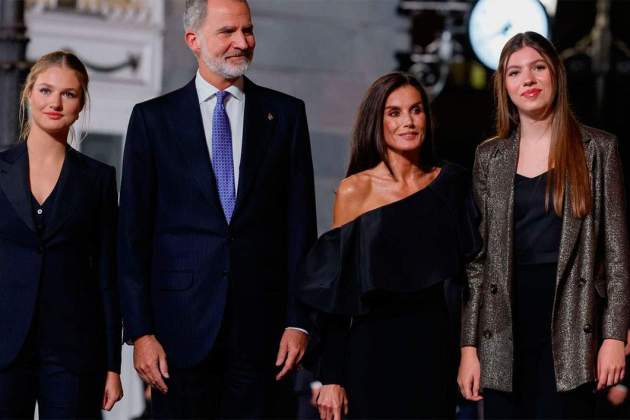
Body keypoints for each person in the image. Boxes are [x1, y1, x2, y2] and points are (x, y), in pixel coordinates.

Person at [117, 0, 317, 418]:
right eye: (227, 32)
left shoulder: (285, 115)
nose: (242, 42)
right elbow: (132, 235)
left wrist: (298, 322)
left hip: (263, 336)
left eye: (247, 30)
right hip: (178, 334)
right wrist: (140, 332)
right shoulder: (153, 120)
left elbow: (300, 228)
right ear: (193, 40)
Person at [458, 31, 630, 419]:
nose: (528, 80)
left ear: (556, 74)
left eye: (538, 68)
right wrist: (469, 348)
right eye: (515, 72)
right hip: (504, 332)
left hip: (573, 323)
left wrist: (615, 336)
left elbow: (617, 257)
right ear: (504, 85)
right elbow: (477, 264)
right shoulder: (489, 157)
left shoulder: (599, 150)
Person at [299, 72, 478, 419]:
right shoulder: (355, 191)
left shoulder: (454, 183)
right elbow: (337, 293)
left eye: (416, 110)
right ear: (376, 121)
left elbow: (472, 278)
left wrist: (469, 350)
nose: (407, 122)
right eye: (394, 113)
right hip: (371, 350)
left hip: (434, 348)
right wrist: (331, 376)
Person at [0, 50, 123, 418]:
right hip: (4, 346)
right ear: (28, 94)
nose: (55, 102)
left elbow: (106, 275)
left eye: (68, 94)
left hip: (73, 349)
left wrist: (113, 365)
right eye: (46, 90)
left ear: (81, 103)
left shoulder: (98, 180)